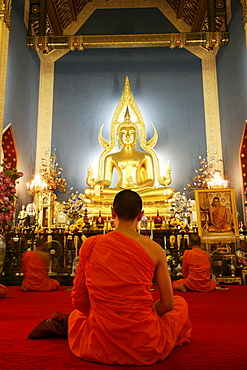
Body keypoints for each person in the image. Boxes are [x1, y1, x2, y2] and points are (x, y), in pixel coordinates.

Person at [68, 190, 191, 366]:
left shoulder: (91, 244)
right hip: (145, 341)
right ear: (141, 215)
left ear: (112, 212)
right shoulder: (155, 249)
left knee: (76, 317)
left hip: (101, 338)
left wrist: (105, 318)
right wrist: (139, 317)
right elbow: (168, 304)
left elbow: (79, 301)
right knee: (180, 304)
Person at [84, 108, 174, 202]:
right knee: (89, 192)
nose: (127, 136)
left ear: (137, 137)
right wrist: (100, 183)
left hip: (139, 191)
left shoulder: (145, 156)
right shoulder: (110, 157)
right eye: (123, 133)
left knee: (167, 191)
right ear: (118, 136)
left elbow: (151, 180)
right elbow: (107, 181)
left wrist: (139, 186)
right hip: (118, 191)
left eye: (131, 133)